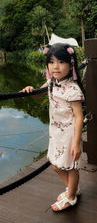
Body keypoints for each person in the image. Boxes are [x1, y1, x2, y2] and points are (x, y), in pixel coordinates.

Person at [21, 43, 84, 212]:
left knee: (71, 166)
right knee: (55, 164)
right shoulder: (51, 82)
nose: (56, 66)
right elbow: (38, 95)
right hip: (56, 133)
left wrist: (77, 143)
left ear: (71, 65)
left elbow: (79, 117)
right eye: (52, 62)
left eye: (61, 62)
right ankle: (73, 188)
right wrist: (30, 90)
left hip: (70, 135)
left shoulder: (73, 89)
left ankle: (71, 196)